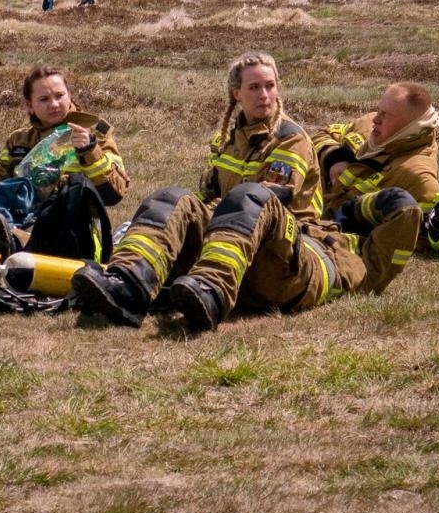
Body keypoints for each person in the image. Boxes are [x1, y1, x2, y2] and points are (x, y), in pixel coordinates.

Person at [71, 52, 322, 328]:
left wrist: (216, 214)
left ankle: (211, 294)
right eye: (254, 87)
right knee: (170, 198)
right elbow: (209, 195)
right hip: (235, 235)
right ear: (236, 93)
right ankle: (127, 285)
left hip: (283, 250)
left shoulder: (290, 138)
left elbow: (271, 199)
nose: (264, 94)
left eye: (270, 86)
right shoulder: (229, 139)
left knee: (247, 198)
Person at [0, 65, 130, 218]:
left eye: (59, 96)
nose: (54, 104)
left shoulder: (94, 133)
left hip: (73, 227)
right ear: (30, 106)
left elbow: (114, 194)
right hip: (20, 218)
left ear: (70, 96)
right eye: (44, 99)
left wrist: (90, 152)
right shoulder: (19, 140)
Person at [313, 82, 438, 277]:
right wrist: (334, 158)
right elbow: (324, 134)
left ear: (410, 125)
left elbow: (412, 237)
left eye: (386, 115)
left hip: (330, 235)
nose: (375, 120)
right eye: (379, 110)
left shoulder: (418, 177)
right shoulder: (368, 125)